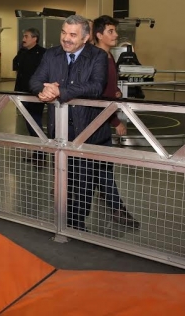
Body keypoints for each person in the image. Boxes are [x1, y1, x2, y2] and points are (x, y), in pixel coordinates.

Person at [29, 14, 111, 232]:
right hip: (60, 131)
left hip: (87, 131)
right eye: (64, 32)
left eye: (73, 35)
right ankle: (63, 221)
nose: (66, 38)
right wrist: (43, 90)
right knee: (63, 178)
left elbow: (96, 86)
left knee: (84, 181)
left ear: (85, 38)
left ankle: (77, 224)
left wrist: (60, 91)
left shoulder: (98, 56)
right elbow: (35, 80)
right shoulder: (51, 55)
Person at [91, 15, 139, 229]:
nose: (116, 35)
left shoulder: (108, 56)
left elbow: (107, 87)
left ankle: (110, 202)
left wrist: (116, 91)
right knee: (102, 167)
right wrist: (115, 121)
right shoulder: (97, 58)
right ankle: (117, 208)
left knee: (101, 166)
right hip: (97, 120)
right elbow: (99, 95)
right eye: (111, 31)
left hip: (102, 119)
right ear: (99, 35)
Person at [13, 28, 47, 164]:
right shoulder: (22, 52)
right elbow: (16, 67)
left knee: (35, 123)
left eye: (26, 36)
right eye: (23, 36)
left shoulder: (42, 54)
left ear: (35, 38)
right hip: (22, 92)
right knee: (29, 124)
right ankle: (37, 153)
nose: (23, 39)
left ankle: (41, 153)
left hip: (35, 95)